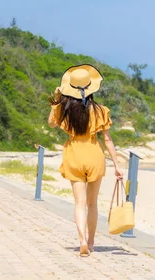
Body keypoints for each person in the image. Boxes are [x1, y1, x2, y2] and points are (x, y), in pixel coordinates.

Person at [48, 64, 123, 257]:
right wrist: (116, 164)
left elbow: (51, 123)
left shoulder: (64, 111)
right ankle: (90, 242)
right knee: (92, 203)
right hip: (93, 154)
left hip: (74, 154)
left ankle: (81, 240)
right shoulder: (101, 110)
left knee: (79, 203)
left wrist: (57, 101)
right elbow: (107, 139)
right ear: (91, 87)